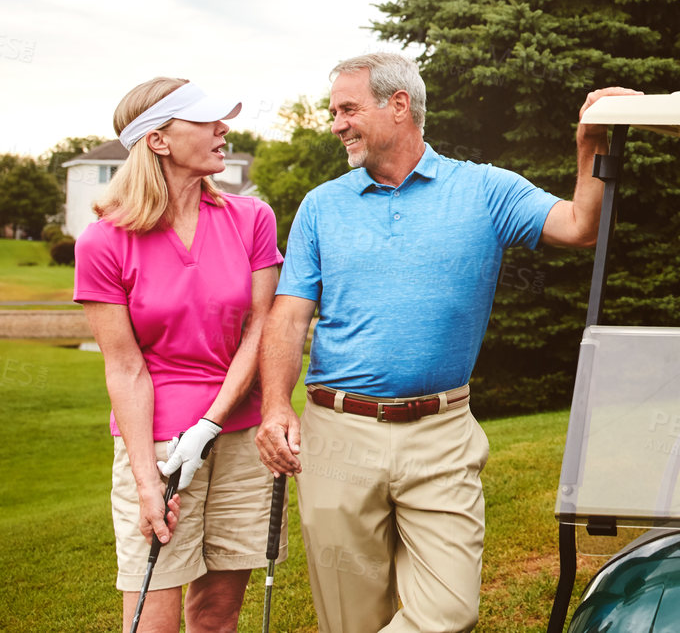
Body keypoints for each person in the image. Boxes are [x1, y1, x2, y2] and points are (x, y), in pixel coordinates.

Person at [254, 52, 636, 633]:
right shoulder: (321, 205)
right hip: (337, 433)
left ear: (398, 105)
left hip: (442, 433)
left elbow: (580, 226)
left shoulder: (485, 189)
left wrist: (590, 144)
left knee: (451, 609)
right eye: (335, 111)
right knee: (352, 619)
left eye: (348, 109)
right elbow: (287, 317)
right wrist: (276, 405)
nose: (336, 124)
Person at [73, 78, 283, 633]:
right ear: (159, 141)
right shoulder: (103, 241)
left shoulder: (251, 218)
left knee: (217, 615)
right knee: (154, 617)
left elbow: (261, 326)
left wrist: (211, 422)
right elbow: (124, 367)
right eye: (207, 121)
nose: (224, 129)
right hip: (160, 450)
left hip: (242, 436)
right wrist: (147, 480)